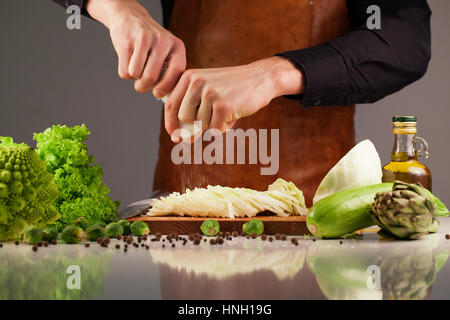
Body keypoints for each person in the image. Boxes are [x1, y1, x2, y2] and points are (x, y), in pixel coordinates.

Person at [53, 0, 431, 205]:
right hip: (187, 199)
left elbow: (406, 39)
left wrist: (272, 74)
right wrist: (119, 8)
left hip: (318, 207)